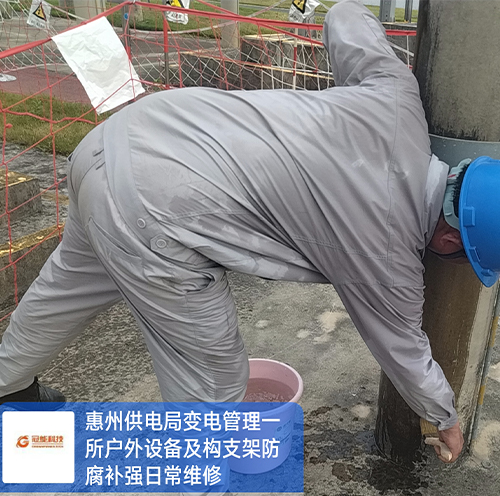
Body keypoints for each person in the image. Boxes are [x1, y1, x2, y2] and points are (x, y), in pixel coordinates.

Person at [1, 0, 499, 464]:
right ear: (449, 241)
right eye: (463, 261)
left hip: (117, 138)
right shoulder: (389, 257)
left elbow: (346, 15)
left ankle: (8, 386)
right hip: (160, 210)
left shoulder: (397, 100)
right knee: (213, 384)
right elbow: (405, 351)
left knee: (63, 291)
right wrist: (446, 419)